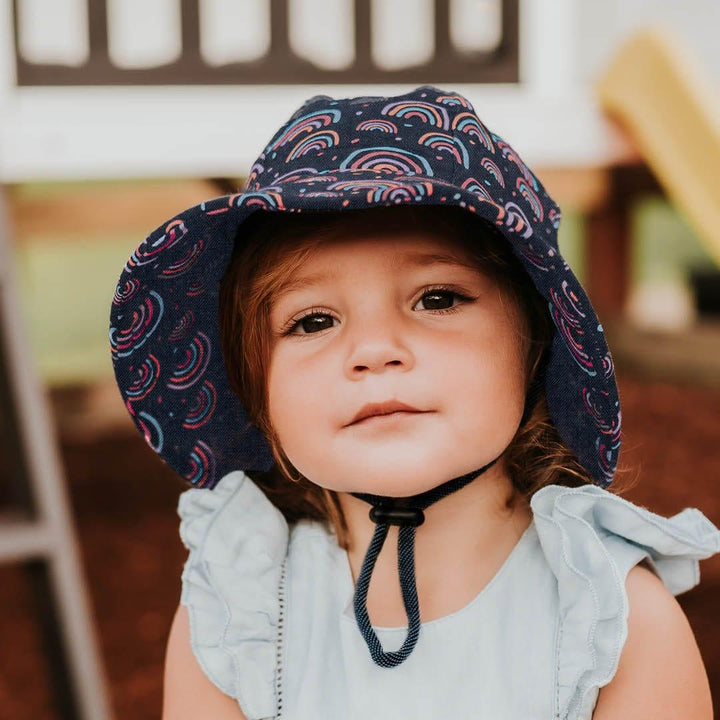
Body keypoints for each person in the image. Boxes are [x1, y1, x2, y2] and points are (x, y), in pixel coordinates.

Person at [109, 86, 720, 719]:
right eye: (313, 321)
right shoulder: (237, 613)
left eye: (437, 299)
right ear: (253, 385)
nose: (374, 351)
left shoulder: (614, 623)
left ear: (536, 343)